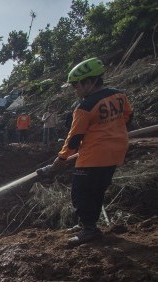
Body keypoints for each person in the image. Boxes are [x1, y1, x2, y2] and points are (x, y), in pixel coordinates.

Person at [44, 57, 133, 246]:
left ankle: (89, 230)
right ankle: (87, 224)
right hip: (116, 152)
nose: (75, 89)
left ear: (90, 81)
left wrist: (59, 161)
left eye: (76, 85)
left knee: (80, 192)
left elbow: (74, 138)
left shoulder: (85, 107)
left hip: (94, 155)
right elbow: (128, 116)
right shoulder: (119, 95)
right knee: (97, 190)